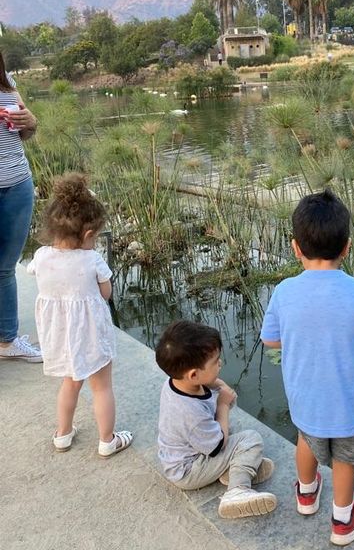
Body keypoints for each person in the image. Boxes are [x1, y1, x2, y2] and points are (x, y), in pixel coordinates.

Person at [261, 189, 354, 546]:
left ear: (295, 247)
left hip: (304, 396)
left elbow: (271, 340)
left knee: (306, 438)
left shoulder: (284, 291)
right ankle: (342, 520)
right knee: (344, 458)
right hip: (346, 402)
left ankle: (306, 496)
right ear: (347, 247)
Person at [26, 173, 133, 456]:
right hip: (91, 335)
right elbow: (105, 294)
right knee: (101, 388)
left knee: (69, 384)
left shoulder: (40, 256)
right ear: (88, 235)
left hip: (60, 334)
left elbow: (37, 277)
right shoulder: (91, 259)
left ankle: (62, 434)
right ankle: (107, 440)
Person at [155, 320, 277, 519]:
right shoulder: (188, 412)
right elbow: (217, 446)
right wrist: (222, 405)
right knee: (250, 439)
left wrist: (216, 384)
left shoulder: (177, 382)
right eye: (215, 361)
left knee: (235, 432)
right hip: (188, 470)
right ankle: (237, 490)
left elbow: (207, 391)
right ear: (193, 374)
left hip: (181, 457)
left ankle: (234, 470)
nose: (220, 363)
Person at [0, 50, 42, 363]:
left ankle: (7, 339)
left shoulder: (7, 83)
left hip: (18, 186)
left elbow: (24, 133)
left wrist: (30, 122)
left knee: (5, 266)